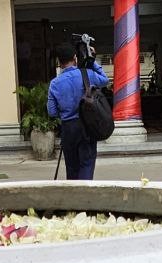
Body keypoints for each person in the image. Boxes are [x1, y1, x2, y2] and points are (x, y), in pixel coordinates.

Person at [47, 42, 109, 181]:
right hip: (87, 126)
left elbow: (52, 112)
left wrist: (65, 112)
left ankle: (73, 192)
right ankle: (85, 192)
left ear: (59, 62)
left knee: (71, 167)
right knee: (87, 164)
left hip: (68, 129)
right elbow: (105, 80)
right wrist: (92, 60)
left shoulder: (54, 83)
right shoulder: (87, 74)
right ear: (75, 58)